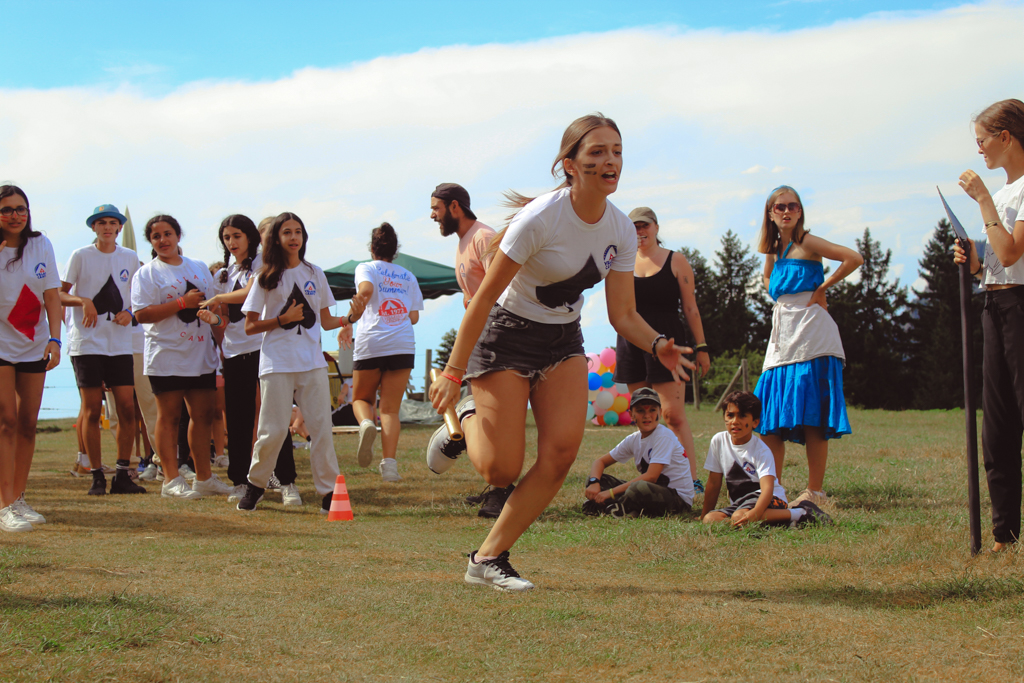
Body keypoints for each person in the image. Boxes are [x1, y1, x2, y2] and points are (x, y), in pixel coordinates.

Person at [427, 113, 693, 591]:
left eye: (616, 151)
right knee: (500, 468)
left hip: (563, 340)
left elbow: (622, 314)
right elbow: (484, 297)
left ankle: (488, 558)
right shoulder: (540, 219)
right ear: (569, 164)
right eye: (596, 153)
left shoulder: (621, 230)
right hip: (506, 333)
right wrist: (452, 372)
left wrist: (658, 344)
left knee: (561, 452)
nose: (610, 161)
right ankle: (469, 413)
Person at [236, 212, 354, 512]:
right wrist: (282, 320)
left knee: (321, 427)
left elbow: (326, 321)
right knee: (272, 431)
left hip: (312, 363)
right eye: (287, 232)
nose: (293, 237)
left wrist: (350, 318)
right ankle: (256, 485)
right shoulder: (265, 276)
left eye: (298, 231)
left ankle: (329, 492)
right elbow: (249, 326)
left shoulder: (315, 273)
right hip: (276, 363)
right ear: (277, 237)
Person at [753, 185, 862, 509]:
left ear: (800, 211)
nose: (787, 212)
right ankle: (776, 488)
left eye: (793, 206)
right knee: (768, 419)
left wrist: (822, 288)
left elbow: (853, 258)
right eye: (780, 207)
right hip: (782, 337)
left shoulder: (807, 241)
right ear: (770, 213)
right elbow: (768, 282)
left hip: (813, 336)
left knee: (813, 415)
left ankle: (815, 491)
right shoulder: (773, 251)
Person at [953, 99, 1024, 553]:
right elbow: (998, 258)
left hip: (1021, 306)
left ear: (1006, 137)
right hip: (994, 304)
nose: (978, 150)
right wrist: (975, 263)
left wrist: (981, 200)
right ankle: (1005, 535)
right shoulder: (1001, 195)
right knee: (996, 426)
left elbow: (1015, 251)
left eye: (981, 140)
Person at [130, 214, 233, 499]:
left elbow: (214, 307)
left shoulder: (199, 267)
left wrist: (218, 334)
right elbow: (141, 314)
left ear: (178, 235)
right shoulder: (147, 273)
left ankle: (204, 478)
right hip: (166, 355)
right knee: (170, 417)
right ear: (151, 242)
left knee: (202, 415)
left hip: (200, 354)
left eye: (167, 234)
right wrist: (180, 303)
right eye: (156, 236)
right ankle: (171, 479)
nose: (163, 240)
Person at [202, 214, 300, 505]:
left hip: (264, 347)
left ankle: (287, 481)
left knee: (274, 416)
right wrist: (213, 315)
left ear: (250, 237)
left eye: (237, 236)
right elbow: (224, 315)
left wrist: (219, 299)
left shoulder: (264, 262)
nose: (232, 242)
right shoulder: (223, 273)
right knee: (239, 419)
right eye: (226, 237)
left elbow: (251, 293)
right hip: (233, 351)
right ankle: (241, 482)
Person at [429, 182, 512, 517]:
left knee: (499, 413)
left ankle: (502, 490)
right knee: (489, 412)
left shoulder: (483, 236)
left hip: (500, 338)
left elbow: (503, 284)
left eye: (436, 208)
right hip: (481, 338)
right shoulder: (464, 242)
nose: (432, 215)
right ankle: (495, 485)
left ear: (454, 207)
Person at [614, 206, 710, 481]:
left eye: (644, 226)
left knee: (672, 415)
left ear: (656, 227)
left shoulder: (676, 260)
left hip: (668, 340)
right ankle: (652, 480)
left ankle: (691, 481)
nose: (640, 231)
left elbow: (691, 309)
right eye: (634, 227)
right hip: (631, 340)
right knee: (643, 415)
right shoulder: (621, 261)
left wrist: (701, 347)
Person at [60, 204, 146, 496]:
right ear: (93, 228)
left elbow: (140, 297)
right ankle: (97, 474)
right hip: (87, 343)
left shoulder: (130, 257)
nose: (107, 227)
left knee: (126, 408)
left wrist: (131, 312)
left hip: (120, 343)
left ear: (120, 228)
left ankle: (123, 474)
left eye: (112, 222)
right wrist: (83, 300)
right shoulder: (80, 255)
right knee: (92, 409)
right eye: (101, 223)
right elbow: (59, 292)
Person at [0, 185, 62, 532]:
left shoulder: (41, 244)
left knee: (26, 422)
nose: (14, 215)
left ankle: (18, 496)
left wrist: (55, 338)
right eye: (6, 209)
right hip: (0, 345)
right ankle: (4, 503)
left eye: (20, 208)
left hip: (34, 343)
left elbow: (51, 296)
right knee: (5, 420)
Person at [347, 222, 423, 482]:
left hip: (372, 343)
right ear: (395, 250)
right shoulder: (408, 276)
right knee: (390, 409)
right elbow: (413, 317)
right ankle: (389, 467)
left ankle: (366, 424)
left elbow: (366, 291)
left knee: (361, 399)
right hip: (402, 344)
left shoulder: (366, 267)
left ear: (372, 248)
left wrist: (354, 312)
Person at [701, 391, 830, 527]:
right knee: (710, 519)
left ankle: (800, 513)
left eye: (742, 416)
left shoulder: (761, 450)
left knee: (739, 516)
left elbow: (767, 489)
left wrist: (756, 512)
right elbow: (714, 483)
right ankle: (778, 523)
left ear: (755, 422)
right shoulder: (718, 441)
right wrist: (704, 513)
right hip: (741, 504)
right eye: (730, 415)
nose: (735, 421)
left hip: (770, 498)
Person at [582, 387, 693, 517]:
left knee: (638, 488)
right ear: (631, 415)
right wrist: (594, 482)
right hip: (650, 492)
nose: (647, 416)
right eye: (640, 411)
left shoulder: (663, 436)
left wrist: (610, 493)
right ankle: (624, 508)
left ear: (660, 412)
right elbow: (599, 462)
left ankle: (617, 508)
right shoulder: (634, 439)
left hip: (677, 499)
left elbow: (651, 477)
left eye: (652, 410)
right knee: (598, 479)